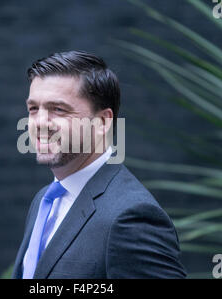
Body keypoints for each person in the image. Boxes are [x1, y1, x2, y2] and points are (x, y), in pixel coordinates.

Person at [12, 50, 186, 279]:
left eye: (58, 109)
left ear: (103, 121)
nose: (40, 123)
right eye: (33, 108)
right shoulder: (44, 200)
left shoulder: (131, 217)